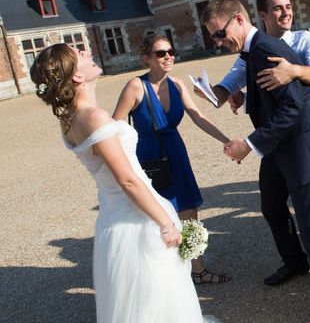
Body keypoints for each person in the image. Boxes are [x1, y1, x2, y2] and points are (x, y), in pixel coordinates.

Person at [203, 0, 310, 323]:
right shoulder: (254, 51)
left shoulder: (263, 49)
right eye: (213, 37)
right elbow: (277, 99)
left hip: (306, 152)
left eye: (219, 33)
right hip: (298, 151)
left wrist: (249, 144)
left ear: (237, 19)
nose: (218, 42)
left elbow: (293, 108)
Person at [30, 44, 218, 323]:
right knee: (157, 298)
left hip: (114, 217)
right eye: (79, 54)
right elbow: (128, 179)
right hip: (137, 221)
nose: (86, 51)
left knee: (146, 301)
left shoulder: (70, 118)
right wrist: (165, 223)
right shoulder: (92, 117)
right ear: (77, 77)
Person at [200, 0, 310, 286]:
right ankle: (294, 261)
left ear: (240, 20)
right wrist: (220, 93)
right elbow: (231, 82)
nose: (285, 12)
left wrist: (293, 70)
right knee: (272, 205)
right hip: (273, 140)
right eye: (277, 8)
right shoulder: (250, 50)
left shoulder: (302, 40)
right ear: (262, 15)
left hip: (301, 137)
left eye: (287, 6)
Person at [113, 34, 231, 285]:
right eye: (160, 53)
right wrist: (120, 164)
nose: (168, 56)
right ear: (147, 58)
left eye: (170, 51)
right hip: (147, 157)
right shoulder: (136, 86)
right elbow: (116, 127)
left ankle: (198, 270)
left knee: (189, 211)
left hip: (176, 152)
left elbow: (197, 116)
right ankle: (160, 277)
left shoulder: (177, 84)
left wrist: (226, 141)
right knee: (153, 216)